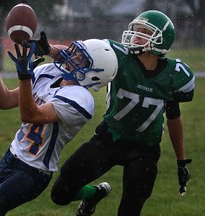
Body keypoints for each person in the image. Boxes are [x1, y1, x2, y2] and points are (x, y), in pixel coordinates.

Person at [40, 10, 194, 216]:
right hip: (110, 138)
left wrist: (181, 161)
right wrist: (48, 49)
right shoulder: (117, 55)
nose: (135, 35)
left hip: (145, 149)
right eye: (136, 30)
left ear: (160, 40)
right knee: (60, 193)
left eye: (144, 32)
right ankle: (93, 195)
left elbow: (174, 117)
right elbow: (76, 56)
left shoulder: (174, 75)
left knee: (129, 211)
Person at [0, 32, 117, 216]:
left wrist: (24, 77)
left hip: (33, 172)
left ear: (94, 75)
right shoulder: (48, 72)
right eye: (77, 52)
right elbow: (3, 101)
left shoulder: (81, 99)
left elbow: (30, 114)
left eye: (81, 58)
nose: (73, 57)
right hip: (10, 157)